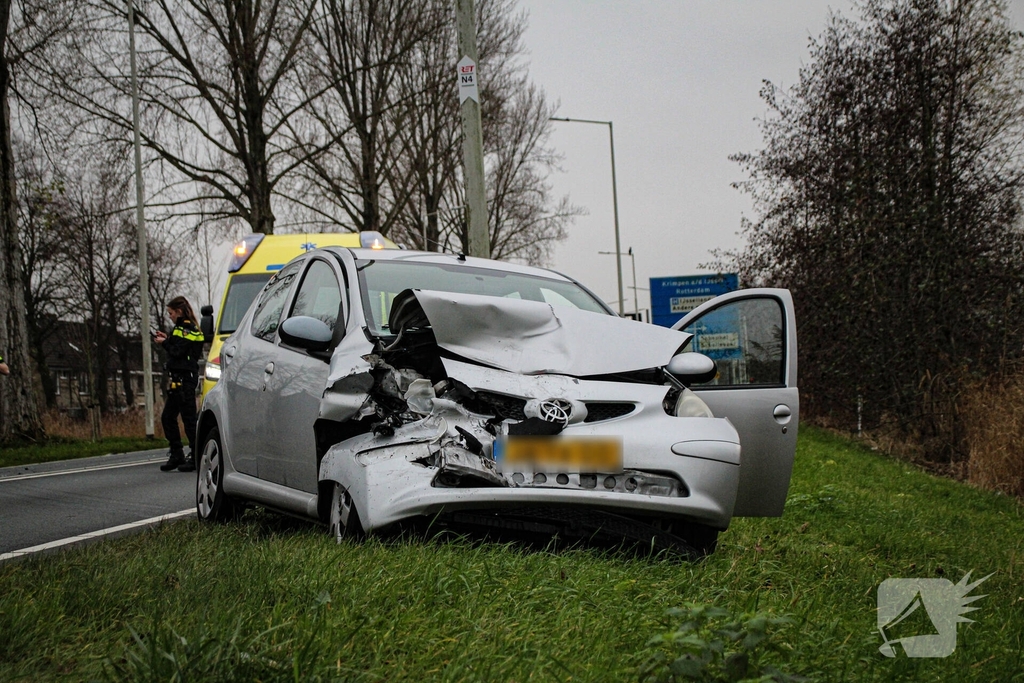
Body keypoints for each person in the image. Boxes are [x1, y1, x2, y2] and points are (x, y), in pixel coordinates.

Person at [155, 296, 204, 472]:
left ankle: (196, 456)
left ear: (179, 312)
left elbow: (178, 351)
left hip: (185, 381)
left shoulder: (187, 329)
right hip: (178, 381)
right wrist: (167, 338)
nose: (169, 316)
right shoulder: (180, 329)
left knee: (189, 420)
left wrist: (164, 343)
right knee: (168, 418)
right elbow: (178, 345)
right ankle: (177, 454)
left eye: (171, 313)